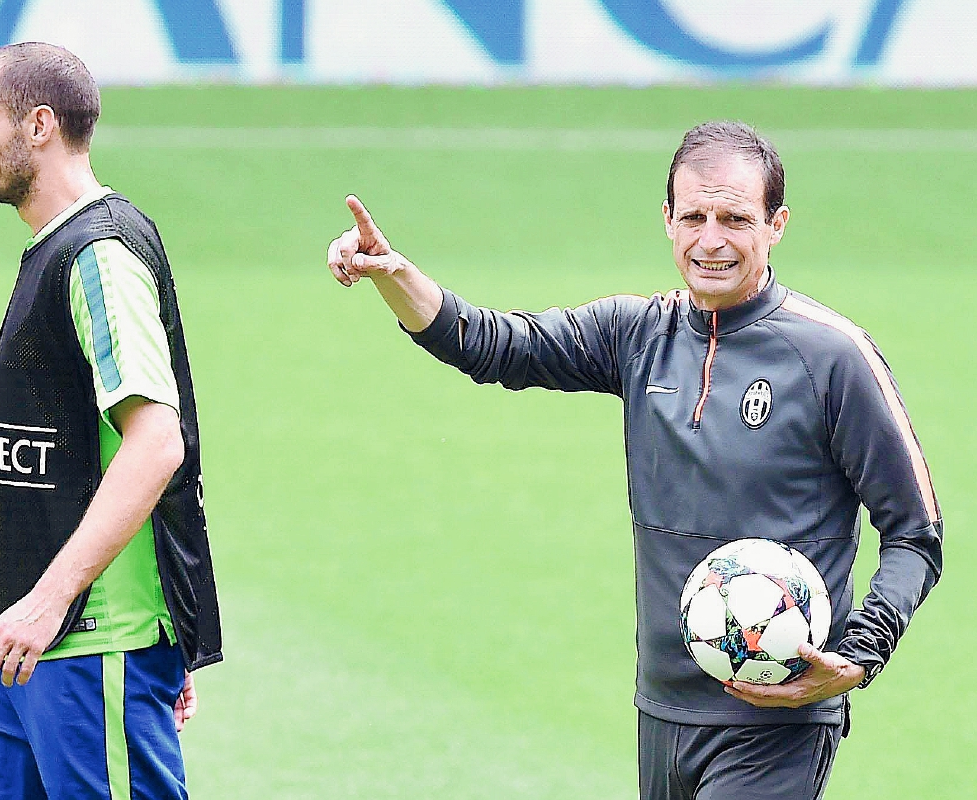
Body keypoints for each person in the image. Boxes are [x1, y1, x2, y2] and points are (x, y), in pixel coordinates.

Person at [325, 121, 943, 799]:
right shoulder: (638, 334)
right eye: (694, 218)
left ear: (777, 225)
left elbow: (915, 533)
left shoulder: (834, 357)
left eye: (736, 219)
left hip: (780, 723)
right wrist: (394, 273)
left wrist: (859, 654)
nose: (711, 240)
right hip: (662, 713)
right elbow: (493, 345)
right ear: (668, 220)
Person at [0, 42, 221, 798]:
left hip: (89, 638)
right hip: (11, 644)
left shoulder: (100, 255)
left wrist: (55, 603)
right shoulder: (56, 250)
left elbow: (157, 442)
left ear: (38, 126)